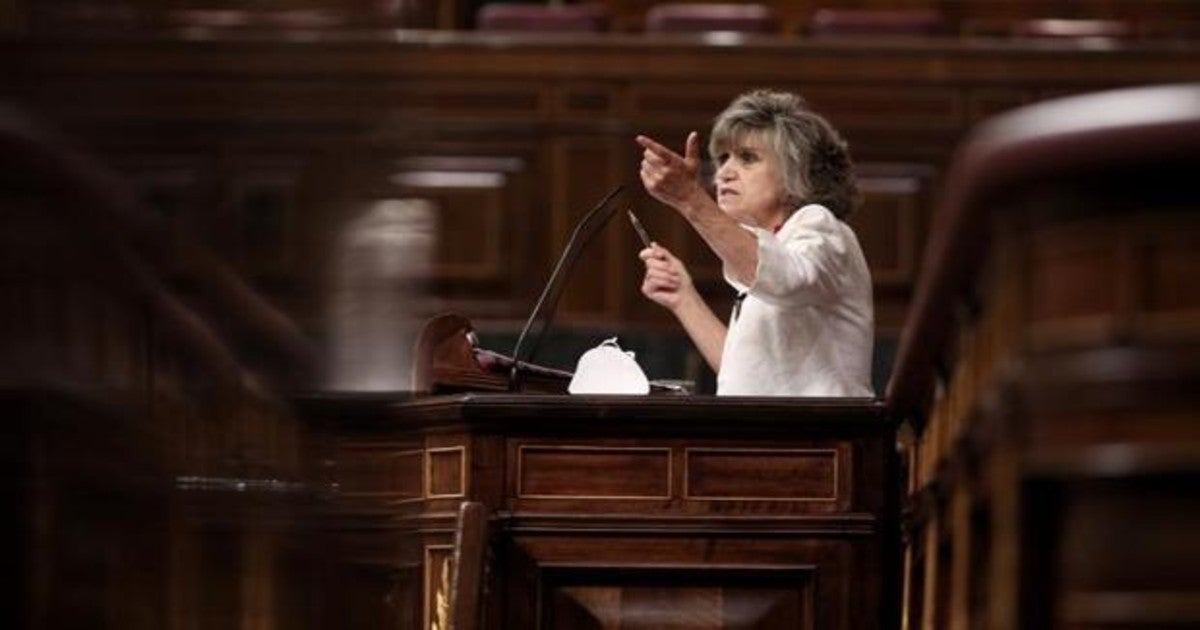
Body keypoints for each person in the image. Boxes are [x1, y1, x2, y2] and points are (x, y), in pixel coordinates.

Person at [636, 89, 873, 396]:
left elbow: (785, 279)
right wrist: (683, 297)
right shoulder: (772, 245)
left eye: (747, 158)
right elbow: (744, 373)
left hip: (821, 440)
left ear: (795, 172)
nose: (723, 174)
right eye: (723, 159)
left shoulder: (820, 225)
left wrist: (691, 200)